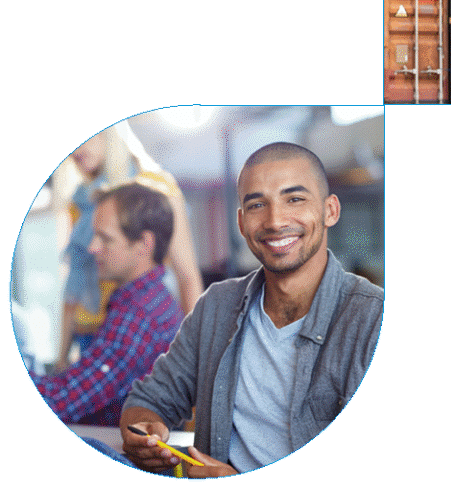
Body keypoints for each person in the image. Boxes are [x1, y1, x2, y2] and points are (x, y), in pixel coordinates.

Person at [120, 142, 384, 478]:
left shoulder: (372, 320)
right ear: (242, 223)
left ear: (330, 210)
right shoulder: (216, 307)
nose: (275, 221)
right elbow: (150, 398)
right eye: (258, 204)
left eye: (295, 199)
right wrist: (143, 434)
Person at [29, 182, 184, 426]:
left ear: (144, 244)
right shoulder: (150, 300)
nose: (92, 248)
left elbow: (62, 401)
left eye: (105, 238)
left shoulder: (139, 315)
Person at [56, 124, 203, 370]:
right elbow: (73, 286)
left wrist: (197, 357)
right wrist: (61, 357)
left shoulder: (157, 188)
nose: (73, 150)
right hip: (88, 337)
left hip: (139, 334)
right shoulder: (79, 201)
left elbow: (187, 277)